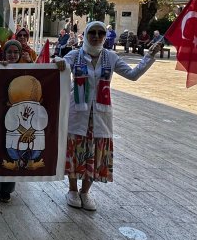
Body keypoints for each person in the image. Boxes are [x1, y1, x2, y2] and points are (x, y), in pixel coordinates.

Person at [54, 20, 163, 212]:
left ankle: (85, 192)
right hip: (77, 112)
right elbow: (58, 66)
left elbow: (133, 75)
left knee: (96, 151)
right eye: (92, 33)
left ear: (105, 36)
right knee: (75, 150)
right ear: (85, 35)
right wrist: (58, 61)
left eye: (101, 33)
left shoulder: (111, 57)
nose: (96, 37)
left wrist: (150, 56)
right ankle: (72, 190)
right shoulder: (75, 55)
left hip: (100, 113)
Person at [0, 39, 23, 202]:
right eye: (9, 52)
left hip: (19, 118)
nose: (12, 55)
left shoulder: (29, 69)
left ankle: (7, 189)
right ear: (4, 53)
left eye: (16, 52)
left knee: (13, 152)